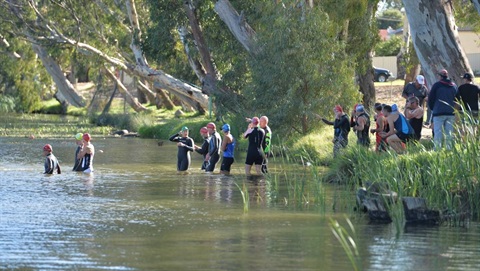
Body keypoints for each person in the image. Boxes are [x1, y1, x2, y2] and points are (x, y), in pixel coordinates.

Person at [428, 69, 457, 150]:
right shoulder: (454, 86)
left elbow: (431, 99)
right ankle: (449, 149)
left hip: (438, 112)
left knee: (438, 133)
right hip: (451, 112)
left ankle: (437, 150)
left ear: (440, 76)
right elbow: (457, 99)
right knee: (449, 133)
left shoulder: (437, 85)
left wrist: (432, 108)